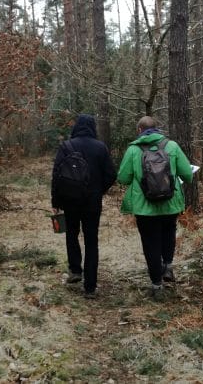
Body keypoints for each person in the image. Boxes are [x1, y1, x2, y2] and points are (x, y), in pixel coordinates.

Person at [117, 116, 193, 298]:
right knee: (168, 233)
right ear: (157, 129)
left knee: (150, 243)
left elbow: (123, 178)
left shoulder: (133, 150)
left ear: (139, 130)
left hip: (144, 208)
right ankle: (167, 266)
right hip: (170, 204)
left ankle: (157, 285)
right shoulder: (172, 146)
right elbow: (187, 175)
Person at [51, 114, 116, 299]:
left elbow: (56, 176)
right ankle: (90, 287)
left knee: (71, 234)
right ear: (92, 127)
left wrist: (55, 202)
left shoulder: (66, 146)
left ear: (76, 127)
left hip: (69, 201)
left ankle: (75, 271)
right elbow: (111, 174)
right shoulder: (100, 147)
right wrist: (99, 190)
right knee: (91, 241)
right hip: (92, 203)